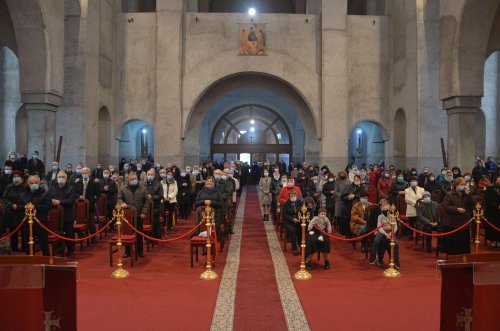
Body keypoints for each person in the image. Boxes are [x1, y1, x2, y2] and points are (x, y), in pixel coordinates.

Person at [117, 172, 149, 258]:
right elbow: (119, 198)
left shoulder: (143, 188)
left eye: (135, 179)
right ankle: (128, 251)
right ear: (128, 180)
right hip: (128, 215)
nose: (133, 180)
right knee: (127, 233)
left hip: (139, 214)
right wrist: (122, 203)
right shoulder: (123, 188)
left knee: (139, 233)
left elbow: (146, 201)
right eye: (132, 179)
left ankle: (140, 251)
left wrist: (143, 212)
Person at [441, 177, 475, 255]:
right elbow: (445, 206)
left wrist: (468, 194)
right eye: (461, 184)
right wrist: (456, 209)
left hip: (464, 224)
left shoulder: (466, 194)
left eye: (464, 184)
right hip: (452, 224)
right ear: (456, 185)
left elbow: (473, 204)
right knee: (453, 246)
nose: (463, 186)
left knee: (464, 246)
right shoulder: (449, 194)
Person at [18, 175, 51, 256]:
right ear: (28, 183)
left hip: (41, 220)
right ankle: (29, 259)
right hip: (27, 221)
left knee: (43, 242)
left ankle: (46, 259)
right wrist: (24, 207)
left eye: (36, 182)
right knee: (28, 242)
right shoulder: (23, 193)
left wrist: (34, 207)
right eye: (32, 183)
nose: (34, 184)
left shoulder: (44, 193)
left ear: (39, 183)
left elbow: (48, 206)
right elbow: (19, 205)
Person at [47, 171, 77, 257]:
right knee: (57, 232)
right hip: (55, 216)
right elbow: (48, 197)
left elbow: (70, 201)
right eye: (59, 177)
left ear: (66, 178)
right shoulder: (52, 187)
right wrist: (52, 201)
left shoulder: (71, 188)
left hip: (67, 215)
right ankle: (59, 249)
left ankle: (70, 250)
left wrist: (59, 202)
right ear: (57, 178)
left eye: (63, 177)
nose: (61, 179)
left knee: (69, 233)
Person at [2, 171, 27, 252]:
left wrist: (19, 206)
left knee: (24, 232)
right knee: (13, 231)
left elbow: (28, 198)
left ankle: (24, 248)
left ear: (22, 178)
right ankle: (14, 248)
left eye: (18, 176)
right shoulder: (8, 187)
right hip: (11, 212)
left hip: (22, 212)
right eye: (14, 176)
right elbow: (4, 198)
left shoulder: (26, 187)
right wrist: (11, 205)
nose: (16, 178)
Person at [73, 167, 100, 241]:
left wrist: (92, 200)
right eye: (83, 173)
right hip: (80, 206)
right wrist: (79, 196)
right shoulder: (77, 183)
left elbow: (98, 194)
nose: (84, 174)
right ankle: (81, 237)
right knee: (79, 221)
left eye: (86, 173)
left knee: (91, 223)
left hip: (90, 205)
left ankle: (93, 237)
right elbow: (74, 193)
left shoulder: (94, 183)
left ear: (89, 173)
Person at [373, 204, 400, 269]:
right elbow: (379, 227)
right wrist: (385, 234)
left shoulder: (392, 216)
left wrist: (390, 234)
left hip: (391, 233)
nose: (386, 210)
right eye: (384, 209)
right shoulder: (380, 216)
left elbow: (395, 227)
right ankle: (378, 259)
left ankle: (395, 261)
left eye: (387, 209)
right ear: (381, 209)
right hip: (382, 233)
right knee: (380, 242)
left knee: (396, 244)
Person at [281, 191, 303, 256]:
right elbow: (284, 214)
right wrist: (292, 219)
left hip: (298, 221)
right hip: (288, 221)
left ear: (296, 196)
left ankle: (300, 245)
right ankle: (294, 248)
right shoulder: (286, 204)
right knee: (292, 230)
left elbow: (302, 212)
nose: (292, 197)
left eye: (294, 196)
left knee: (301, 229)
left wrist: (298, 219)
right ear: (289, 197)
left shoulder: (300, 203)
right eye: (291, 196)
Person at [484, 176, 500, 247]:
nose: (499, 182)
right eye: (498, 180)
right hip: (491, 211)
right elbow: (487, 200)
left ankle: (499, 241)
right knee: (492, 226)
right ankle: (492, 241)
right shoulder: (489, 188)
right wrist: (497, 206)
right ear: (495, 181)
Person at [161, 169, 178, 235]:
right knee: (162, 214)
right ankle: (162, 227)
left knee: (170, 215)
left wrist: (170, 197)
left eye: (171, 175)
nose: (169, 176)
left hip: (172, 201)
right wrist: (164, 197)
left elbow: (175, 191)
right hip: (164, 200)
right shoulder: (162, 182)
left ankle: (169, 228)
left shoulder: (174, 182)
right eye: (168, 174)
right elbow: (161, 191)